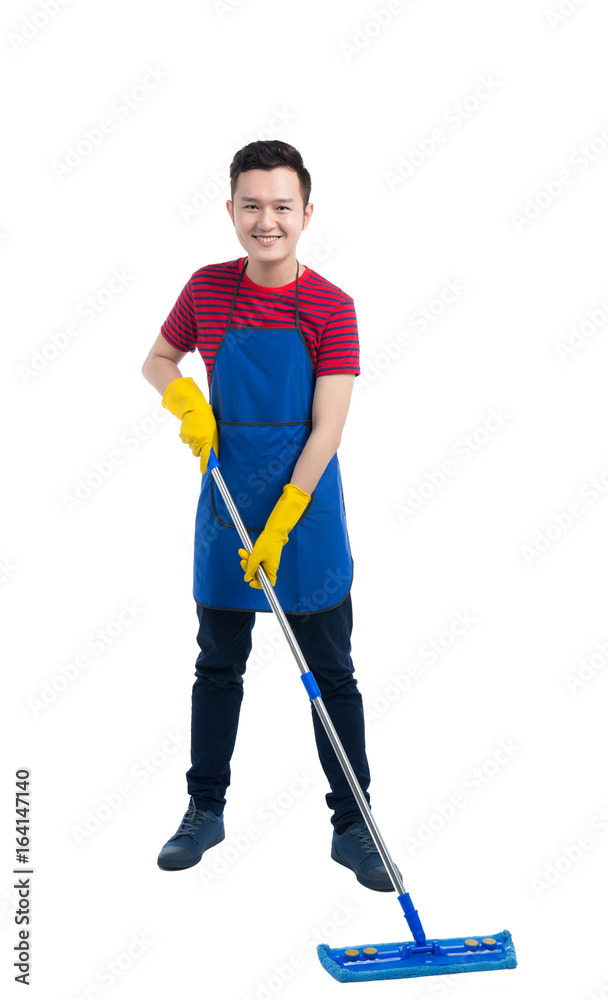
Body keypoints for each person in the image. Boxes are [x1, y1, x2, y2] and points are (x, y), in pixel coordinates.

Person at [141, 140, 396, 891]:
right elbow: (157, 359)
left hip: (304, 513)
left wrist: (283, 520)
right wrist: (183, 398)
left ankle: (354, 827)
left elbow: (328, 428)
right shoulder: (207, 291)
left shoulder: (329, 306)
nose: (266, 221)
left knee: (331, 672)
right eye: (250, 205)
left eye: (281, 206)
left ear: (306, 213)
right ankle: (203, 810)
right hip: (227, 504)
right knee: (217, 665)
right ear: (230, 210)